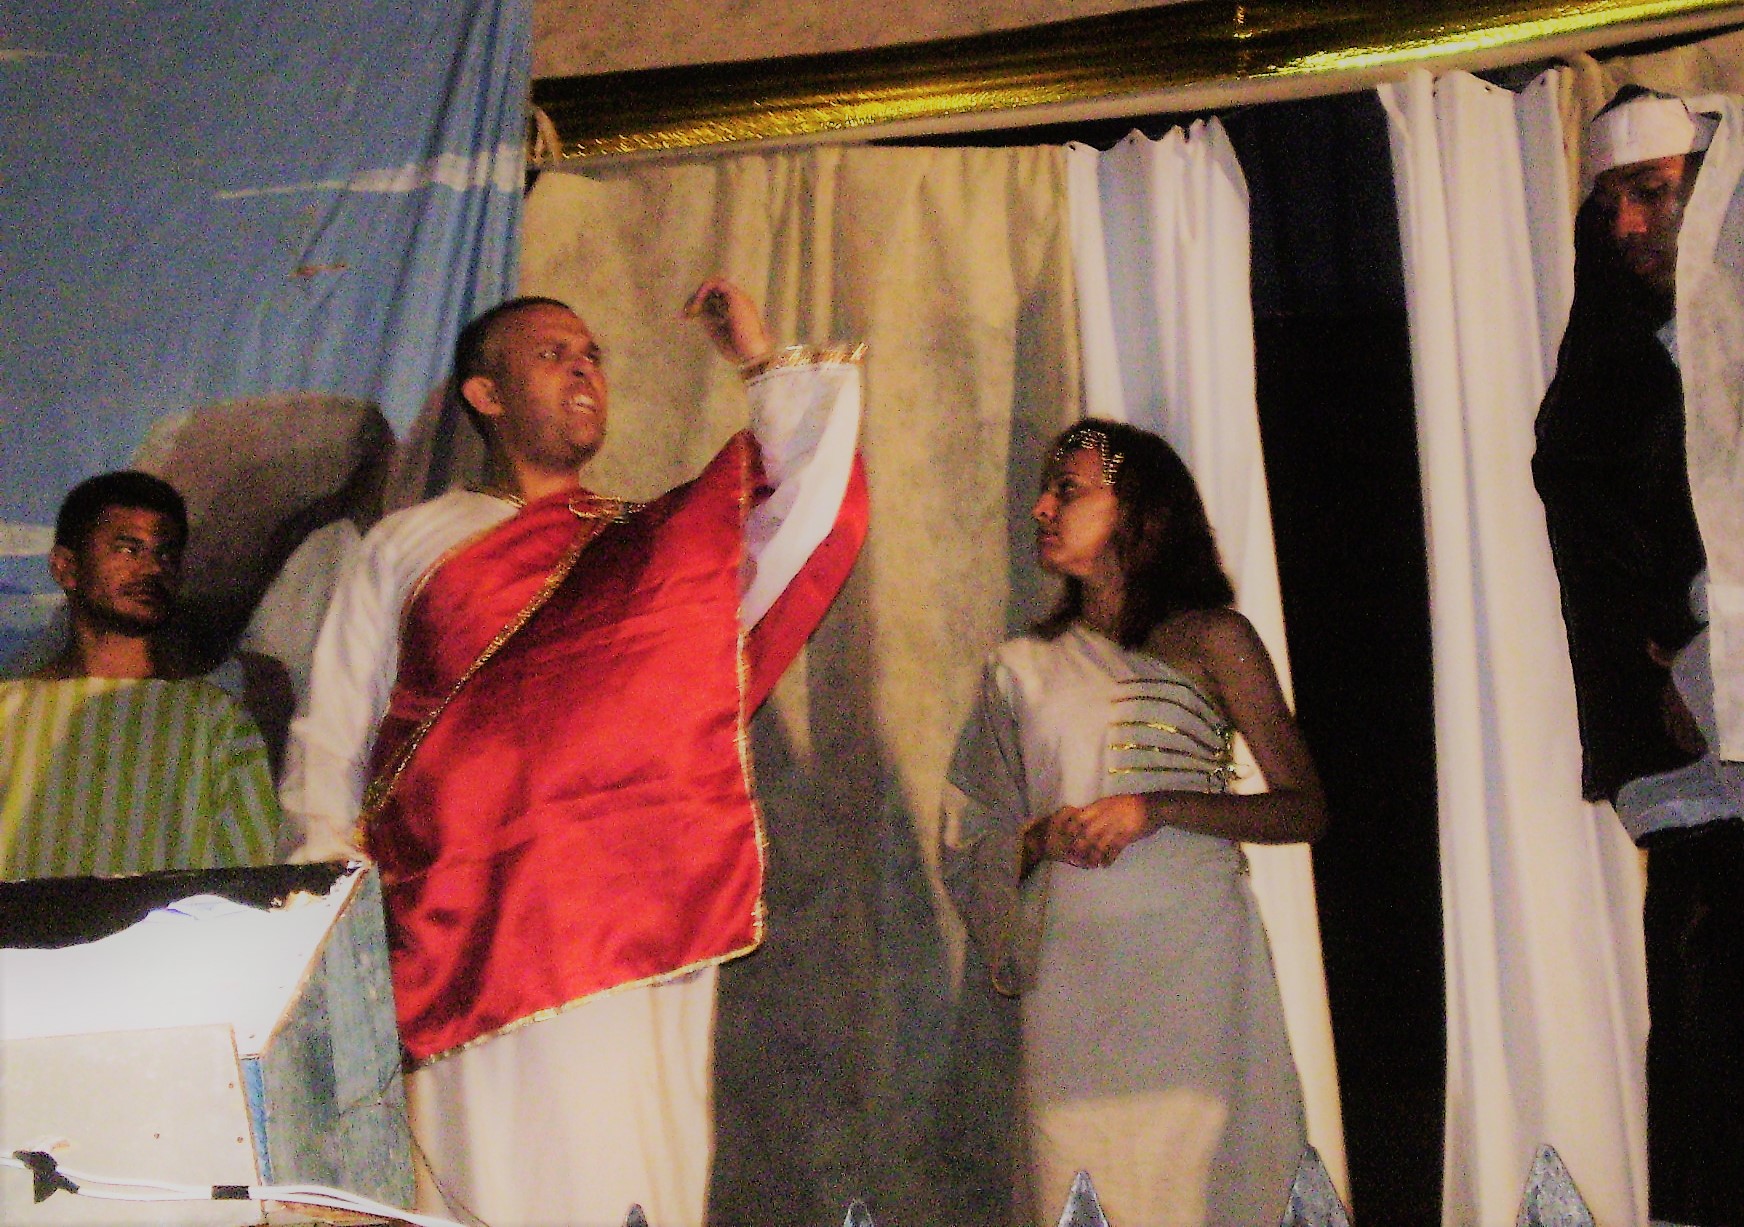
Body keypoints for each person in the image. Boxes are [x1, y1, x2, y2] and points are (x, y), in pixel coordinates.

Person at [280, 278, 867, 1227]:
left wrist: (762, 363)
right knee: (484, 1174)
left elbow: (806, 516)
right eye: (553, 354)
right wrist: (330, 908)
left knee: (626, 1162)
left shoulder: (653, 551)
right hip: (463, 926)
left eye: (592, 354)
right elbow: (334, 739)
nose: (584, 369)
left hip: (635, 918)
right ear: (486, 394)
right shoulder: (409, 545)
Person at [939, 420, 1322, 1227]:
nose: (1042, 507)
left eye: (1067, 489)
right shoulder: (1018, 669)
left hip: (1199, 975)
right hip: (1073, 987)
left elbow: (1304, 806)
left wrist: (1157, 808)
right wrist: (1040, 838)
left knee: (1222, 1193)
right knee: (1081, 1192)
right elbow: (972, 836)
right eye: (1045, 491)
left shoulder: (1213, 639)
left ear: (1139, 510)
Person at [1534, 87, 1744, 1227]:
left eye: (1653, 194)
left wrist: (1711, 664)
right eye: (1611, 202)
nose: (1627, 227)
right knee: (1708, 1062)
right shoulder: (1610, 371)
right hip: (1697, 794)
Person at [1, 471, 280, 878]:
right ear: (66, 567)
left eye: (165, 554)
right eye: (128, 549)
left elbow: (248, 878)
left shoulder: (216, 721)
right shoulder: (8, 713)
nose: (151, 568)